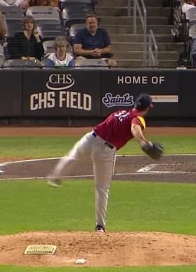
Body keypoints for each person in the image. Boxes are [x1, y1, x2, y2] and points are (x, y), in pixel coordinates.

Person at [46, 94, 159, 233]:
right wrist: (144, 142)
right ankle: (100, 226)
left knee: (72, 156)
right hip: (104, 151)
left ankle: (55, 176)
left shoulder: (120, 112)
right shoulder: (138, 118)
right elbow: (135, 128)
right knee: (102, 188)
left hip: (90, 138)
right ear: (147, 108)